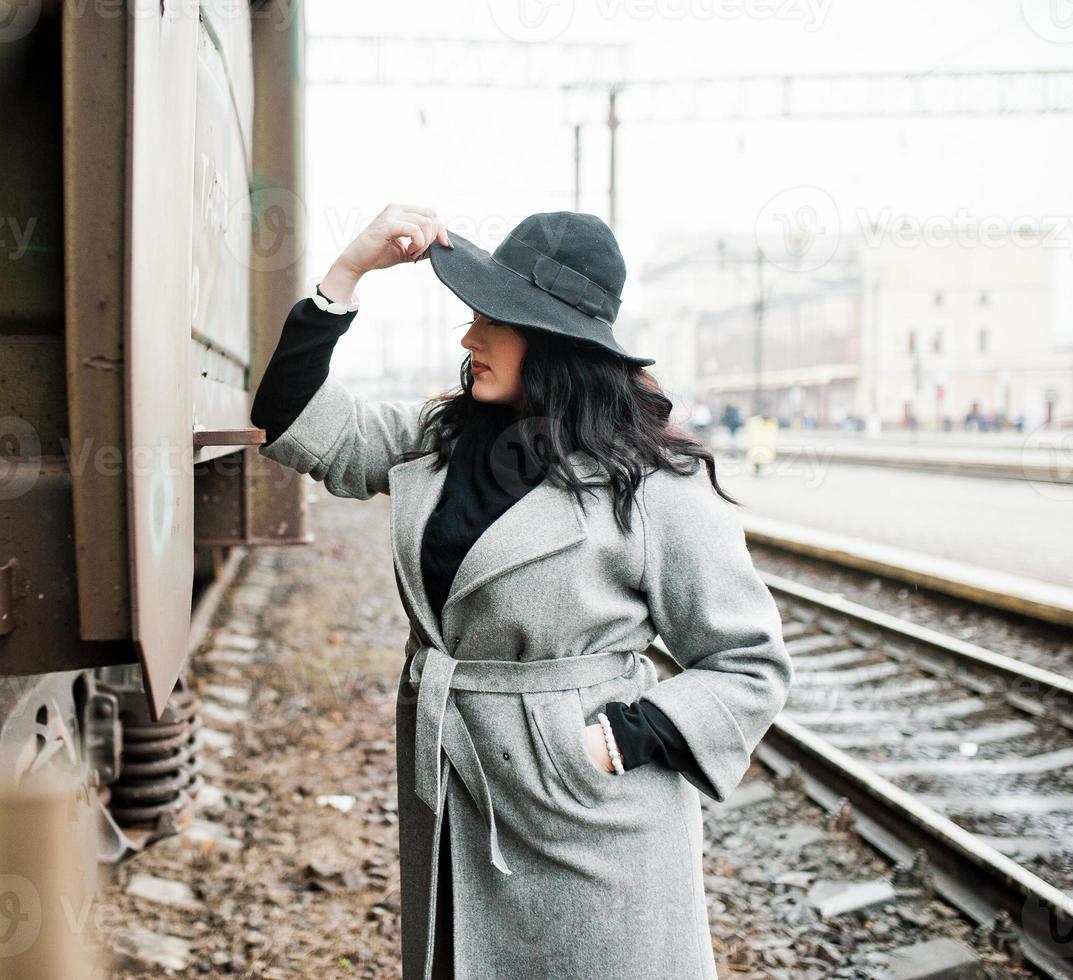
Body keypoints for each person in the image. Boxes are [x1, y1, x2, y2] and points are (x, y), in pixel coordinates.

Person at [250, 205, 792, 980]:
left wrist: (615, 741)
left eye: (491, 320)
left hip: (590, 818)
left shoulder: (653, 488)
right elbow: (293, 422)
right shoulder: (434, 441)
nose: (468, 338)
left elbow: (748, 665)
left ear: (552, 342)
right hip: (457, 792)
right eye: (473, 314)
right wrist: (348, 272)